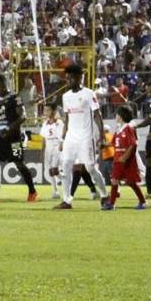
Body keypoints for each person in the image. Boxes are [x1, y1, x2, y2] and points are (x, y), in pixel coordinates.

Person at [55, 64, 105, 209]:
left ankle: (104, 195)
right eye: (67, 78)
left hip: (85, 137)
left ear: (79, 78)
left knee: (90, 168)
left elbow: (97, 115)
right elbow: (67, 119)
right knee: (65, 166)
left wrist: (101, 137)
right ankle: (67, 200)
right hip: (71, 137)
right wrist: (64, 139)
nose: (68, 81)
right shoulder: (66, 96)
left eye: (70, 78)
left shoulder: (89, 94)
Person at [0, 74, 39, 203]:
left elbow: (23, 117)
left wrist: (9, 129)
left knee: (19, 163)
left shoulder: (15, 98)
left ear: (5, 85)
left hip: (13, 137)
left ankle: (32, 191)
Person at [102, 105, 145, 210]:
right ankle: (111, 204)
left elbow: (133, 144)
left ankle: (142, 201)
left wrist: (125, 156)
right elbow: (113, 143)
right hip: (117, 159)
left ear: (121, 116)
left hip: (127, 160)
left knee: (130, 182)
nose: (115, 116)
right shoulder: (118, 129)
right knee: (114, 180)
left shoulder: (128, 128)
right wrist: (104, 145)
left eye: (117, 114)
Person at [37, 103, 62, 199]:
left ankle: (66, 181)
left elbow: (62, 137)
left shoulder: (59, 123)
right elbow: (43, 138)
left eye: (48, 110)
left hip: (56, 147)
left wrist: (61, 146)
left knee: (54, 170)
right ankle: (55, 190)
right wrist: (42, 151)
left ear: (54, 111)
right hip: (48, 148)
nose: (45, 112)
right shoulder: (44, 124)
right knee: (50, 171)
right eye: (45, 110)